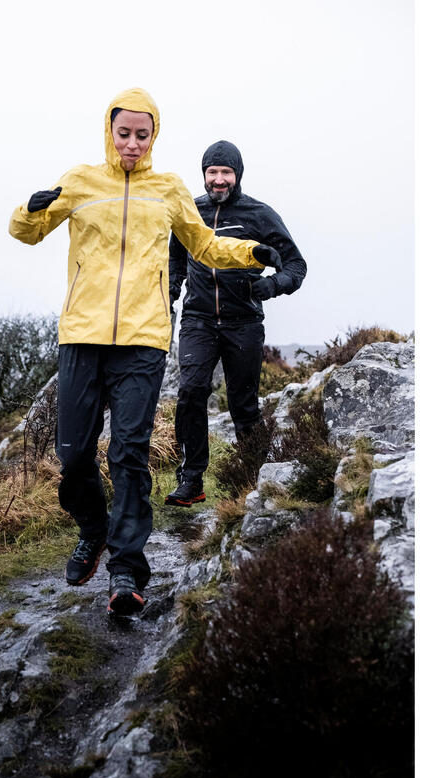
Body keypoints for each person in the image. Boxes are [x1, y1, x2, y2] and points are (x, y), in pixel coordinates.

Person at [8, 90, 282, 615]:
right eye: (124, 132)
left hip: (143, 339)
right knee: (73, 457)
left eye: (143, 134)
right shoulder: (82, 181)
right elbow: (26, 233)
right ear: (109, 131)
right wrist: (29, 208)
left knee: (129, 453)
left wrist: (251, 252)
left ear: (154, 135)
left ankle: (127, 570)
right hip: (82, 337)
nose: (132, 143)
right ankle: (93, 530)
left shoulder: (169, 189)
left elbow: (203, 244)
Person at [164, 140, 307, 507]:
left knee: (244, 405)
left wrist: (270, 286)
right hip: (198, 319)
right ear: (204, 175)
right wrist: (170, 293)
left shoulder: (259, 214)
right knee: (191, 392)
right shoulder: (190, 212)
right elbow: (176, 259)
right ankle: (191, 479)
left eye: (226, 172)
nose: (219, 180)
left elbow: (296, 265)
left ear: (237, 175)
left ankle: (252, 475)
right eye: (212, 172)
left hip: (243, 321)